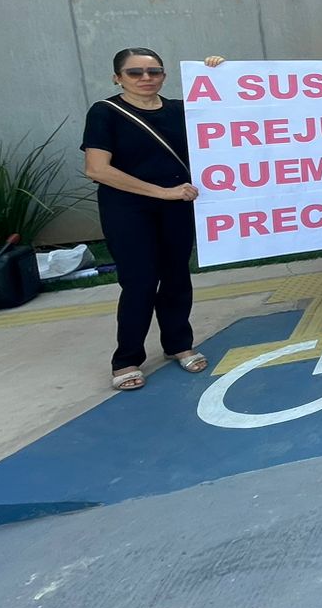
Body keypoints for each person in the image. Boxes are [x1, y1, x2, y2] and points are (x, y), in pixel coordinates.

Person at [82, 48, 220, 391]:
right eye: (135, 73)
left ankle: (178, 344)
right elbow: (96, 169)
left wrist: (216, 73)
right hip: (127, 209)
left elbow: (226, 112)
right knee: (140, 282)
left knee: (176, 278)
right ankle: (127, 358)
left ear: (164, 75)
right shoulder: (105, 112)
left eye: (154, 71)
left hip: (175, 207)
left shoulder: (178, 110)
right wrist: (162, 192)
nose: (146, 78)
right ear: (118, 78)